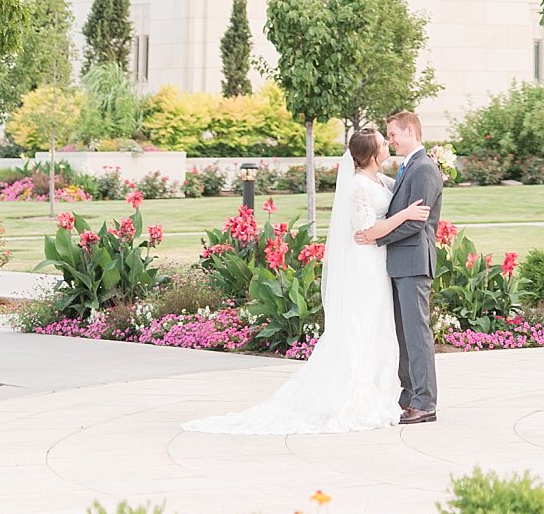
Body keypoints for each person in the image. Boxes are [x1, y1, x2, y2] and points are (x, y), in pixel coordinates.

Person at [182, 125, 429, 435]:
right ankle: (355, 397)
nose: (387, 146)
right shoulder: (357, 186)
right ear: (371, 154)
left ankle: (381, 392)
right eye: (383, 143)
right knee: (362, 325)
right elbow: (368, 231)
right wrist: (405, 214)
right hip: (366, 264)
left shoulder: (379, 179)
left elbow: (405, 187)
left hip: (381, 264)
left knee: (378, 326)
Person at [357, 109, 443, 424]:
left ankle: (425, 403)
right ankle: (409, 398)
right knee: (404, 335)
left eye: (393, 133)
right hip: (400, 263)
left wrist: (376, 238)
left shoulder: (424, 170)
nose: (390, 140)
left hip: (414, 262)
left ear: (409, 131)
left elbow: (416, 224)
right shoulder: (409, 167)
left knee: (416, 334)